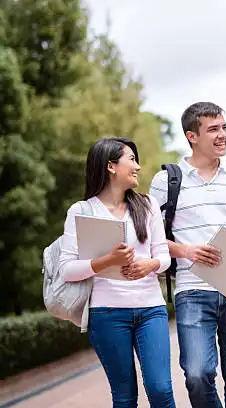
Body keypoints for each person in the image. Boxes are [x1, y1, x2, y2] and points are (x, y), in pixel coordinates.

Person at [149, 102, 226, 408]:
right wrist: (185, 250)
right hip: (192, 290)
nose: (222, 134)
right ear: (192, 136)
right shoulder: (165, 182)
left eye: (224, 127)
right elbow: (151, 240)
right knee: (197, 375)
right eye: (213, 129)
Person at [58, 137, 175, 408]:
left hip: (150, 310)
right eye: (131, 159)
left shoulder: (146, 206)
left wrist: (152, 265)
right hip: (107, 313)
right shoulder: (82, 211)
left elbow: (164, 256)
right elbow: (66, 270)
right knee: (124, 397)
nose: (138, 166)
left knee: (161, 389)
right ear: (111, 166)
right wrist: (106, 261)